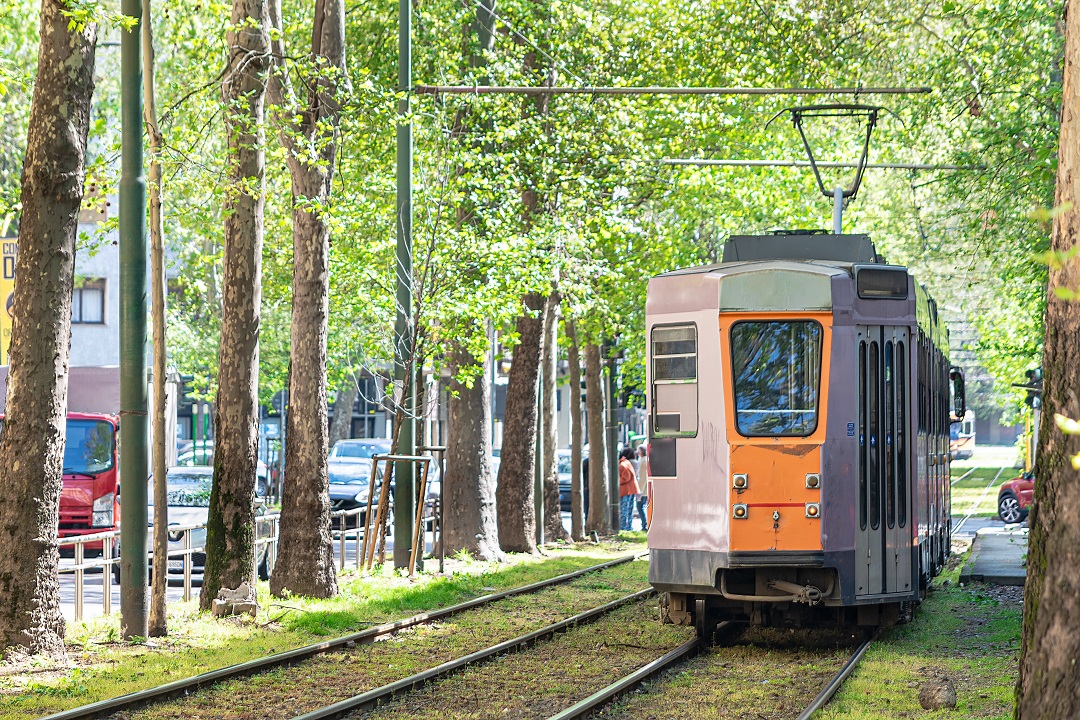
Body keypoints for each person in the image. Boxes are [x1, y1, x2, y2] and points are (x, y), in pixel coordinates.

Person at [618, 447, 638, 531]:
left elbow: (626, 477)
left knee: (624, 509)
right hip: (631, 489)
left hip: (626, 489)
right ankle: (628, 526)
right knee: (629, 509)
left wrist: (617, 482)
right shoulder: (626, 463)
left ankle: (623, 527)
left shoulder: (622, 465)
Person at [635, 444, 649, 531]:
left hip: (642, 488)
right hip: (645, 488)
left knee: (640, 506)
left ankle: (644, 524)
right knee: (642, 506)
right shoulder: (646, 460)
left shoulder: (642, 461)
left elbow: (642, 476)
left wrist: (639, 489)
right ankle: (645, 523)